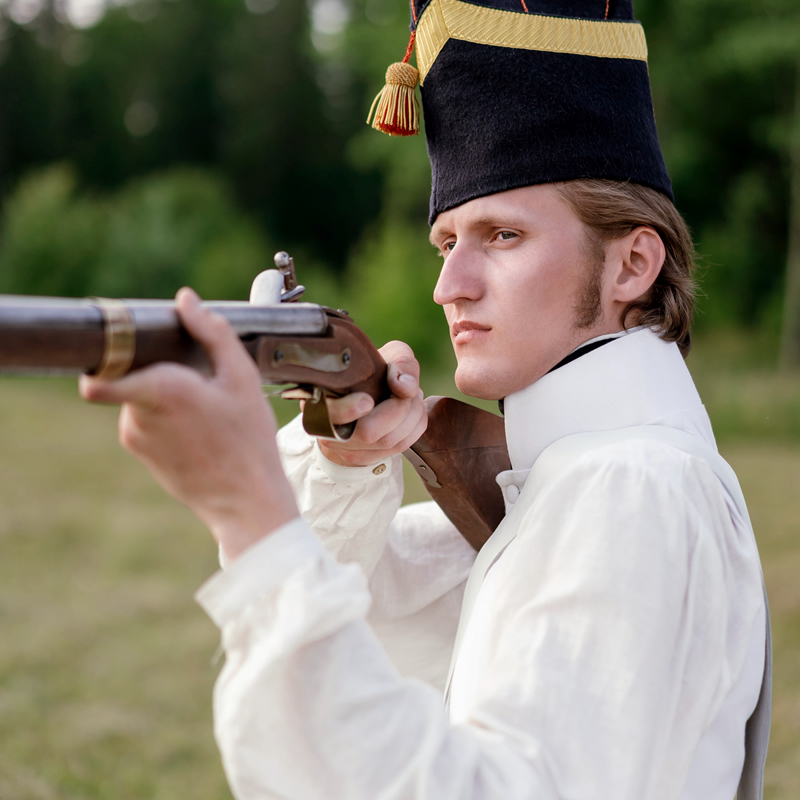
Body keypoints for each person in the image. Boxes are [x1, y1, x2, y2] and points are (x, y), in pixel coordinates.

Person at [80, 1, 771, 799]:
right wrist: (344, 462)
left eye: (503, 236)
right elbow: (366, 628)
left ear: (633, 265)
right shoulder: (576, 477)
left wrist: (248, 510)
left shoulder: (630, 487)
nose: (449, 286)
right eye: (447, 241)